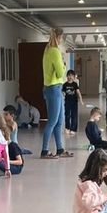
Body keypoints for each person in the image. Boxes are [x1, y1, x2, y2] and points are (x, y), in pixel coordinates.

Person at [41, 28, 72, 159]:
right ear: (59, 38)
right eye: (61, 38)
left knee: (59, 121)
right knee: (53, 121)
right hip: (54, 88)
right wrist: (64, 65)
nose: (61, 40)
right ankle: (44, 150)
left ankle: (60, 149)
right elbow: (60, 73)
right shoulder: (55, 51)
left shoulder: (47, 50)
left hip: (53, 88)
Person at [62, 69, 83, 136]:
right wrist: (63, 95)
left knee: (74, 115)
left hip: (74, 102)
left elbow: (78, 92)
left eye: (71, 75)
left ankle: (73, 129)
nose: (70, 77)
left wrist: (81, 100)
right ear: (67, 76)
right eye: (68, 75)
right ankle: (67, 127)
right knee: (67, 115)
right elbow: (63, 92)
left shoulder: (75, 84)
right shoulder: (65, 84)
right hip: (67, 102)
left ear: (74, 77)